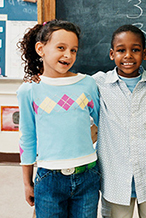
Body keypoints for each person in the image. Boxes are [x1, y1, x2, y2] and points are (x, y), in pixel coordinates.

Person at [17, 19, 100, 217]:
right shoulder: (29, 90)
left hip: (87, 175)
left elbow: (101, 122)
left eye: (73, 50)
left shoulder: (87, 84)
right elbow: (27, 137)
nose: (68, 55)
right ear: (41, 49)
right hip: (49, 178)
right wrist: (27, 183)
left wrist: (86, 138)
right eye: (61, 47)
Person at [93, 25, 146, 218]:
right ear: (111, 54)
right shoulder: (99, 84)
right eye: (121, 50)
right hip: (115, 178)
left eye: (135, 50)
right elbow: (69, 84)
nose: (128, 55)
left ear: (145, 53)